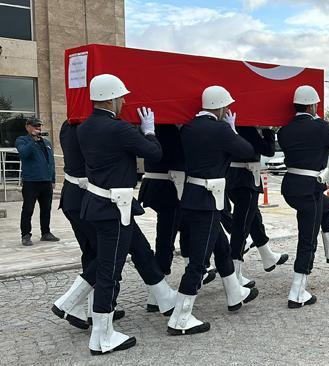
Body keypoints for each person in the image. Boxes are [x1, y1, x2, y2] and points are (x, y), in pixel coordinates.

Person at [77, 74, 176, 355]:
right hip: (113, 208)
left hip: (97, 204)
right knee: (109, 271)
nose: (124, 101)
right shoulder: (118, 128)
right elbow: (154, 153)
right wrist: (149, 130)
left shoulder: (85, 127)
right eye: (121, 97)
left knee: (141, 251)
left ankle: (164, 297)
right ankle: (103, 335)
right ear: (110, 98)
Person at [168, 85, 258, 336]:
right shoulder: (220, 129)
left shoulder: (187, 128)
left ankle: (234, 293)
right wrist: (231, 130)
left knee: (221, 247)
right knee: (198, 262)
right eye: (226, 106)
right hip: (207, 202)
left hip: (192, 197)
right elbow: (247, 151)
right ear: (219, 107)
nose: (228, 110)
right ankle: (180, 318)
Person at [278, 85, 329, 309]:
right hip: (309, 189)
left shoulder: (284, 130)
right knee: (307, 239)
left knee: (327, 206)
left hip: (291, 187)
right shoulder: (319, 127)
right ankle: (297, 292)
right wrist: (323, 126)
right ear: (311, 105)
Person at [137, 124, 216, 314]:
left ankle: (192, 273)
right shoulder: (171, 130)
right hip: (169, 188)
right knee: (166, 239)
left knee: (179, 231)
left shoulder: (157, 127)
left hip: (159, 185)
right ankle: (157, 295)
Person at [226, 126, 289, 288]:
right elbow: (268, 150)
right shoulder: (246, 128)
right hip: (245, 180)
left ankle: (267, 255)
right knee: (243, 225)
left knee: (253, 218)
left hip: (233, 177)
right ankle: (234, 274)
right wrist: (268, 129)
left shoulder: (233, 126)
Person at [15, 117, 59, 246]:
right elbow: (23, 154)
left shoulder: (47, 143)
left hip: (46, 182)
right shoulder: (22, 140)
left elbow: (51, 162)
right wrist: (33, 140)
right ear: (27, 127)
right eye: (35, 126)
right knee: (28, 209)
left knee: (46, 208)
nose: (38, 128)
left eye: (39, 126)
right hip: (31, 182)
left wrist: (53, 179)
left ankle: (46, 232)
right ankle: (26, 235)